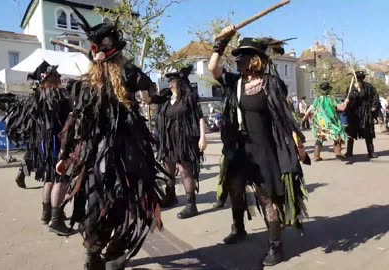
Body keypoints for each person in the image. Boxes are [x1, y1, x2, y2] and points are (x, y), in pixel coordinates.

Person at [55, 7, 166, 270]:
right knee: (93, 204)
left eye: (102, 44)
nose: (98, 51)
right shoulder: (88, 83)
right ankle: (94, 250)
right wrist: (66, 156)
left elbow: (149, 92)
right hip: (96, 153)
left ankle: (114, 248)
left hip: (128, 150)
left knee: (125, 201)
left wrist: (154, 96)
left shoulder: (129, 72)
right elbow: (76, 120)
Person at [209, 28, 308, 266]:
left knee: (266, 200)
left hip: (264, 149)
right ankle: (239, 228)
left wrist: (297, 146)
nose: (237, 59)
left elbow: (284, 118)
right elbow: (213, 68)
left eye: (242, 55)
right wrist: (219, 43)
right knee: (234, 190)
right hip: (239, 148)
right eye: (237, 55)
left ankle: (276, 246)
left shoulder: (271, 84)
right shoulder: (235, 82)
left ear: (255, 59)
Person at [5, 61, 74, 236]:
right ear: (49, 77)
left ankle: (47, 214)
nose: (60, 78)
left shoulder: (36, 96)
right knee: (61, 178)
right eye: (57, 75)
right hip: (56, 141)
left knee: (50, 178)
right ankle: (56, 220)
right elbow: (70, 116)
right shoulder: (59, 95)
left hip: (42, 142)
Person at [141, 65, 206, 219]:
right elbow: (147, 99)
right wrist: (142, 86)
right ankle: (171, 196)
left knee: (185, 170)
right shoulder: (165, 96)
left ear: (180, 82)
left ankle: (191, 204)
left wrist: (203, 137)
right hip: (168, 140)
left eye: (172, 81)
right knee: (168, 169)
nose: (169, 83)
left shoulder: (190, 97)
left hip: (185, 139)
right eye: (168, 80)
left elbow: (200, 116)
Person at [302, 82, 349, 161]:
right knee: (339, 134)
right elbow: (342, 108)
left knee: (320, 137)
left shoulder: (317, 99)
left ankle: (316, 155)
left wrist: (305, 116)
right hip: (331, 122)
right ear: (329, 89)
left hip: (320, 122)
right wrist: (346, 102)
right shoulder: (332, 98)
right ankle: (337, 152)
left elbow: (310, 109)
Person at [345, 71, 380, 158]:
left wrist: (374, 106)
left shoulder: (368, 86)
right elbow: (348, 99)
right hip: (354, 113)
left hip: (366, 113)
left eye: (361, 78)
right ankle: (349, 152)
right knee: (351, 133)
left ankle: (371, 152)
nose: (360, 80)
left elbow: (375, 96)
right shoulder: (351, 88)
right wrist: (354, 91)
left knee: (368, 133)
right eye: (359, 78)